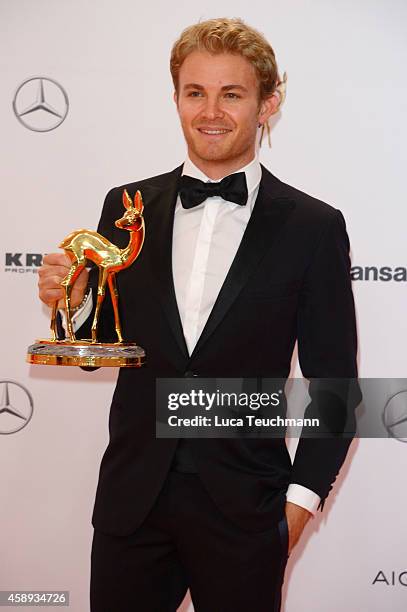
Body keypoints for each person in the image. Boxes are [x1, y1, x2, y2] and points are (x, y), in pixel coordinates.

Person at [38, 17, 359, 612]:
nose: (210, 111)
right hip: (131, 510)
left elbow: (335, 386)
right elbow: (97, 345)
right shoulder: (126, 206)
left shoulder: (313, 228)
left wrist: (295, 511)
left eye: (231, 94)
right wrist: (73, 299)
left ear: (268, 103)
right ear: (177, 98)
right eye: (195, 92)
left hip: (248, 515)